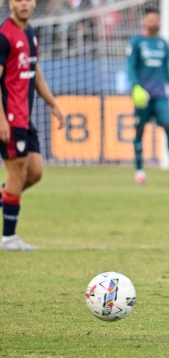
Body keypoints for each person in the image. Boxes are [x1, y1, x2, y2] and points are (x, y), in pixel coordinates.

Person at [0, 0, 64, 251]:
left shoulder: (30, 32)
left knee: (35, 172)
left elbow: (34, 72)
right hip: (10, 118)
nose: (24, 3)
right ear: (10, 3)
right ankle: (8, 238)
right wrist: (2, 119)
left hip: (25, 117)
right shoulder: (4, 35)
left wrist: (54, 104)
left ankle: (7, 203)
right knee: (17, 173)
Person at [127, 8, 169, 185]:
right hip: (143, 97)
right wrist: (135, 87)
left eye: (156, 19)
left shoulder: (163, 43)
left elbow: (168, 70)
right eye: (150, 19)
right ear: (144, 21)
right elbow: (130, 66)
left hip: (161, 96)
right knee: (139, 133)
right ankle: (139, 172)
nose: (153, 22)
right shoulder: (137, 42)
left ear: (160, 22)